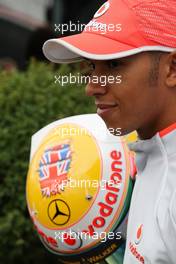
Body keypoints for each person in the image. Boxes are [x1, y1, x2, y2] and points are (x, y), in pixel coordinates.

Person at [43, 0, 176, 263]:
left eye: (114, 65)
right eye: (92, 66)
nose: (92, 87)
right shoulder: (142, 155)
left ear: (172, 69)